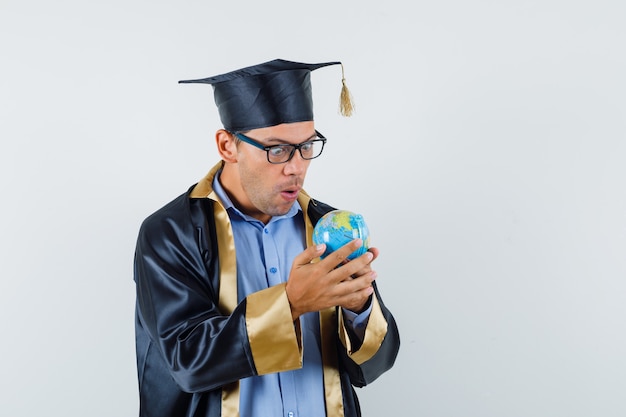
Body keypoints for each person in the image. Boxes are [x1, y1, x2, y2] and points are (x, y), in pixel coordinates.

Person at [133, 58, 400, 417]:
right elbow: (187, 361)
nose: (296, 166)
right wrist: (290, 304)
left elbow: (372, 368)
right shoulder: (172, 233)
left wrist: (358, 309)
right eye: (277, 150)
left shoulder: (328, 227)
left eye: (307, 146)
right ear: (228, 146)